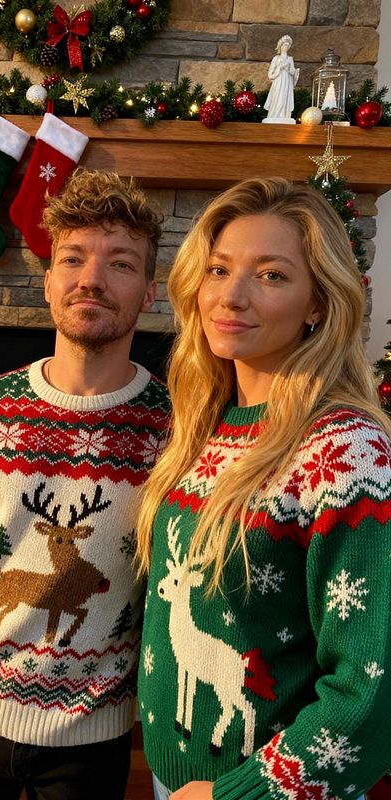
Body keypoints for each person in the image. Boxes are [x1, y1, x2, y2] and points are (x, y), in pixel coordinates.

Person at [0, 169, 171, 800]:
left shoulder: (174, 430)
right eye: (73, 258)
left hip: (92, 740)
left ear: (149, 291)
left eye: (120, 263)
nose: (91, 279)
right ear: (48, 282)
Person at [135, 177, 391, 800]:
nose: (232, 296)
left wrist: (240, 795)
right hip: (179, 779)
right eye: (219, 270)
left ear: (318, 304)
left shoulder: (345, 453)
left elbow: (372, 683)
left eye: (271, 275)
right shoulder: (204, 425)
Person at [263, 34, 299, 122]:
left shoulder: (290, 59)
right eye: (285, 44)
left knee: (285, 97)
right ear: (281, 46)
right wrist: (280, 68)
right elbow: (270, 74)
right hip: (278, 81)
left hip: (287, 82)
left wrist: (292, 70)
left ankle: (284, 115)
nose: (286, 46)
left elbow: (292, 72)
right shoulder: (276, 58)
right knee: (277, 97)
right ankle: (274, 114)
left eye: (288, 45)